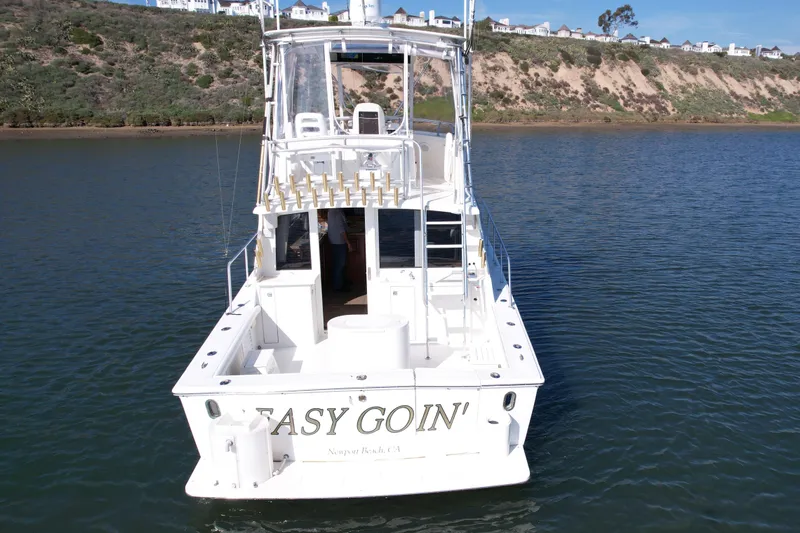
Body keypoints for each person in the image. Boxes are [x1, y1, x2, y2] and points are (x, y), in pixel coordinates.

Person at [325, 209, 352, 292]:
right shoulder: (337, 213)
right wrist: (348, 243)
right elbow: (341, 230)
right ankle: (338, 287)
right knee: (340, 265)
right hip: (339, 241)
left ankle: (340, 283)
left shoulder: (330, 211)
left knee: (337, 264)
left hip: (333, 240)